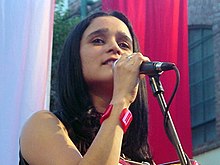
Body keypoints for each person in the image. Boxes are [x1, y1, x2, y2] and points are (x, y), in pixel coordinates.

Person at [19, 11, 155, 165]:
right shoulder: (43, 124)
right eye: (98, 41)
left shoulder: (132, 146)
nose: (115, 48)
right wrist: (121, 99)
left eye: (124, 45)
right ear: (74, 58)